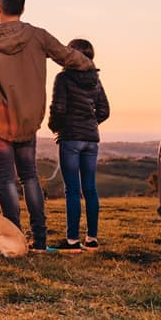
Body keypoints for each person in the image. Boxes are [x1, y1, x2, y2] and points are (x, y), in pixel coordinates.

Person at [0, 0, 93, 251]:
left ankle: (14, 236)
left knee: (5, 179)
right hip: (28, 120)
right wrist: (88, 65)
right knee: (29, 176)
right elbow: (67, 55)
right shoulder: (38, 36)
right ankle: (39, 240)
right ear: (23, 9)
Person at [48, 38, 109, 252]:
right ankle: (92, 239)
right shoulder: (96, 80)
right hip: (91, 139)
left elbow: (58, 108)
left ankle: (72, 241)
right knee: (90, 189)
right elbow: (104, 111)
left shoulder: (63, 78)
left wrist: (55, 127)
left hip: (71, 138)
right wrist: (90, 124)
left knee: (72, 190)